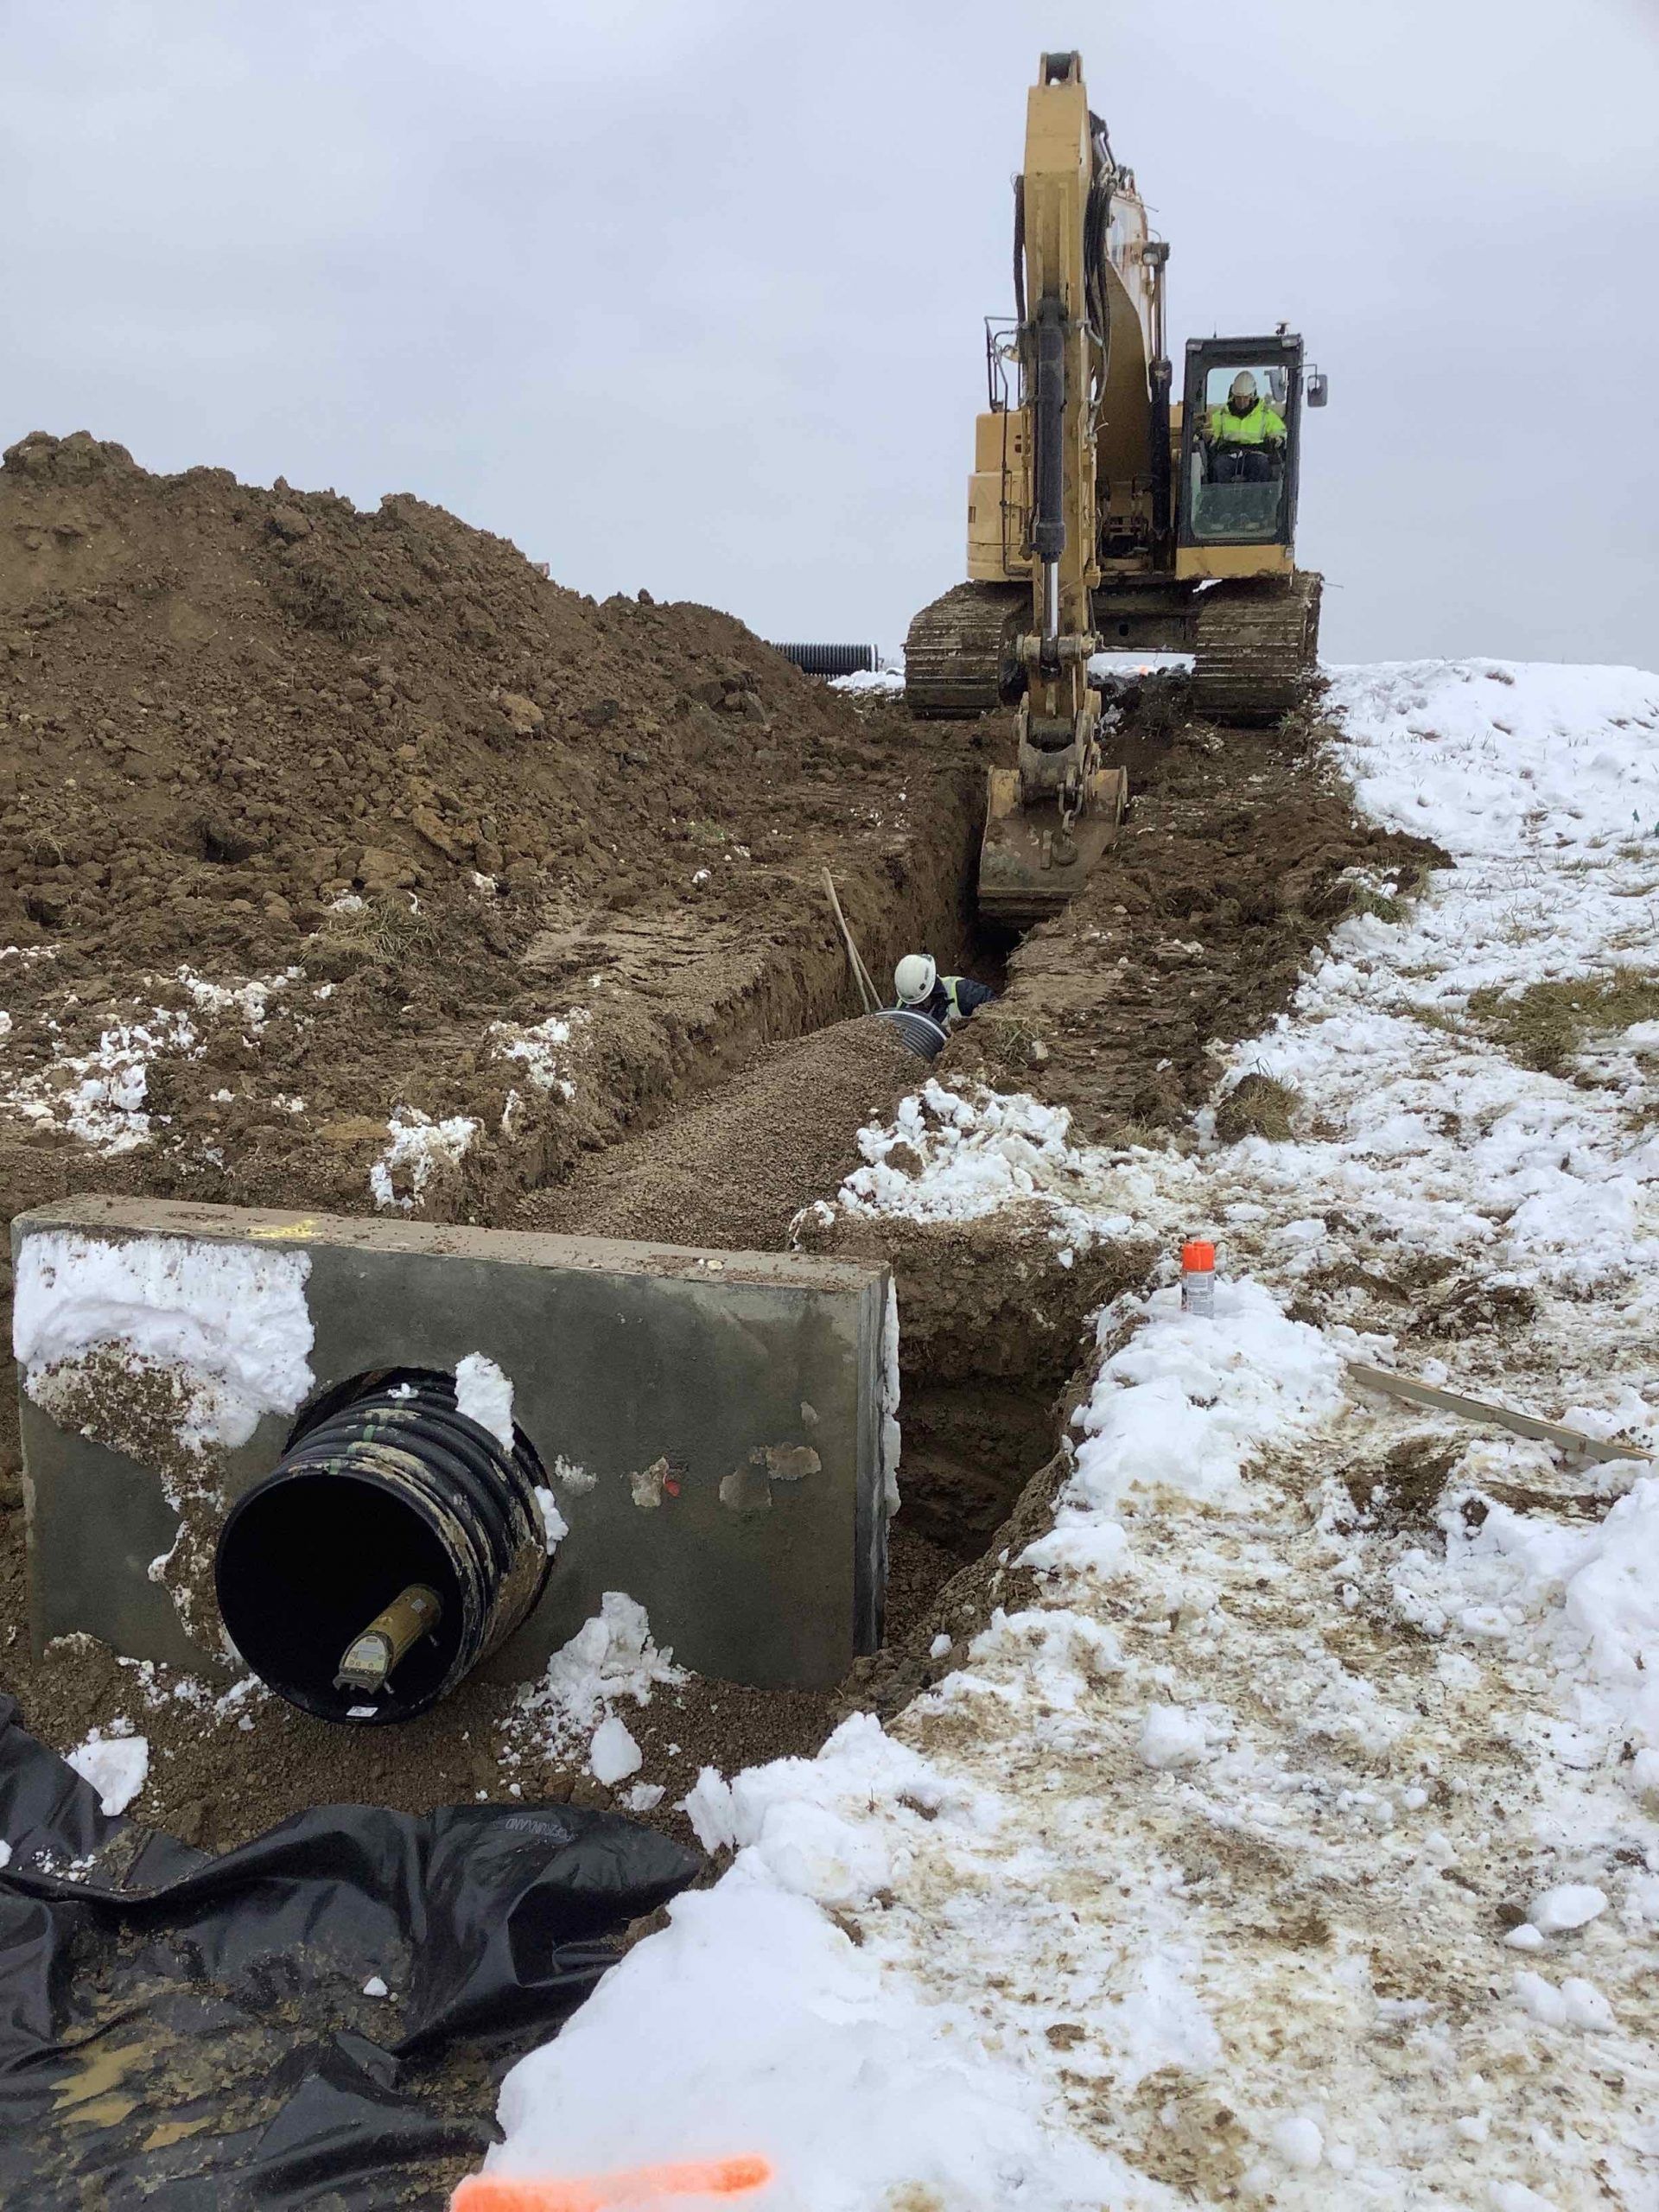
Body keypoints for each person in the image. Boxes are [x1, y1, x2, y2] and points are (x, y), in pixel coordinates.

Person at [1205, 371, 1287, 485]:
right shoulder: (1221, 415)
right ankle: (1220, 495)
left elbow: (1280, 432)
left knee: (1261, 464)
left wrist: (1277, 439)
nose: (1242, 401)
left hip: (1255, 455)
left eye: (1245, 397)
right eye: (1238, 398)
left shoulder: (1266, 415)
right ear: (1233, 396)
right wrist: (1209, 437)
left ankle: (1257, 496)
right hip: (1229, 455)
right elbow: (1211, 433)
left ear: (1252, 396)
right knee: (1218, 466)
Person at [893, 953, 995, 1027]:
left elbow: (994, 1007)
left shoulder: (961, 991)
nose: (916, 1007)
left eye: (920, 1003)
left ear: (931, 989)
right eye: (913, 1005)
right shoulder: (902, 1005)